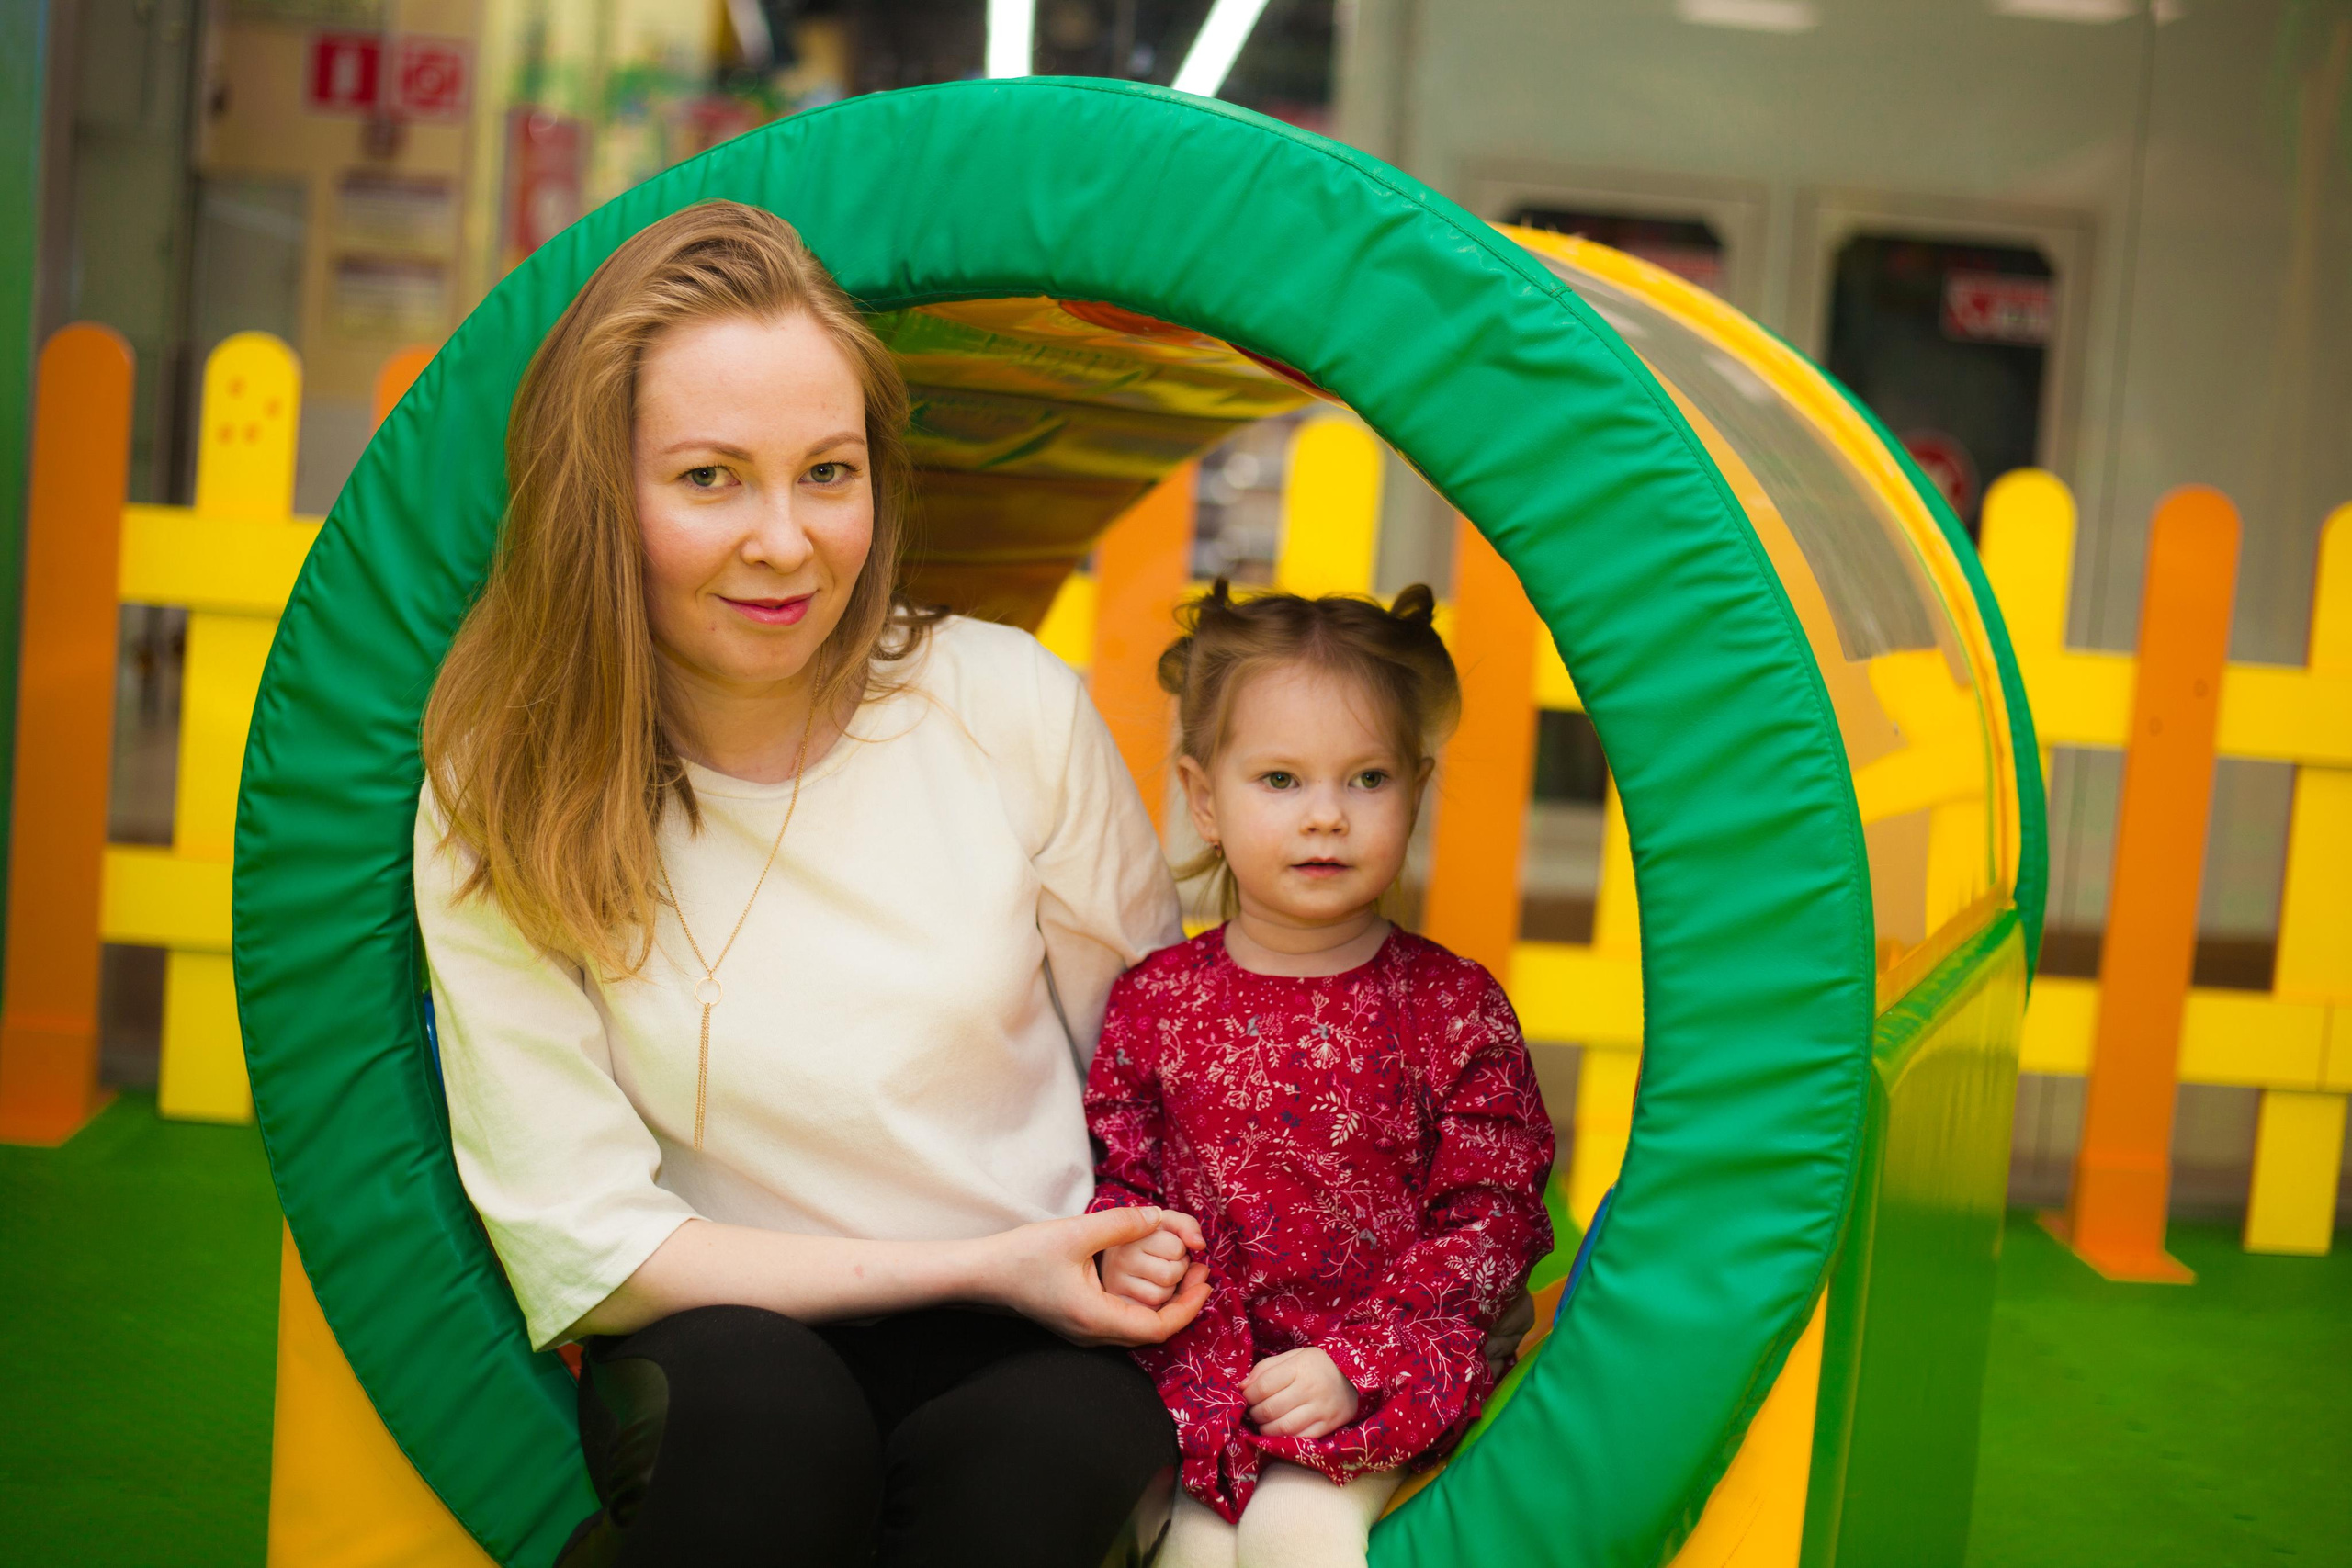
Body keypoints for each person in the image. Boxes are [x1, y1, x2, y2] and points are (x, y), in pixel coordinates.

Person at [413, 199, 1216, 1567]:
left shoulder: (1001, 705)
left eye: (827, 472)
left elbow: (1150, 1076)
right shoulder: (511, 780)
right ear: (602, 493)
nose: (785, 542)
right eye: (712, 477)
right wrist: (969, 1260)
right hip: (724, 1318)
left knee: (1033, 1481)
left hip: (1042, 1323)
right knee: (770, 1450)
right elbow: (591, 1242)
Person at [1084, 585, 1556, 1568]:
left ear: (1416, 788)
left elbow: (1491, 1216)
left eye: (1368, 779)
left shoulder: (1450, 1006)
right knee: (1190, 1550)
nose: (1327, 818)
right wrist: (1124, 1248)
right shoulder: (1154, 1002)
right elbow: (1119, 1176)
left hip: (1384, 1364)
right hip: (1209, 1376)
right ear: (1205, 799)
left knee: (1296, 1533)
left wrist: (1358, 1363)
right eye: (1281, 781)